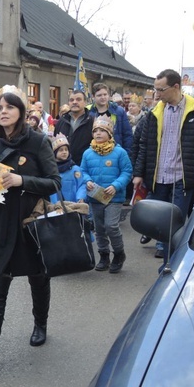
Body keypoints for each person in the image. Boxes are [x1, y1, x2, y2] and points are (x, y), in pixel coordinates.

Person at [0, 90, 61, 371]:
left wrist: (22, 180)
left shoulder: (38, 141)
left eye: (9, 107)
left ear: (21, 111)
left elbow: (54, 182)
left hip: (29, 224)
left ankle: (40, 323)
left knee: (38, 278)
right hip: (0, 223)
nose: (2, 112)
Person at [133, 69, 194, 261]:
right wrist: (138, 174)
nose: (157, 95)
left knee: (174, 225)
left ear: (176, 87)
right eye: (155, 90)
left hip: (182, 178)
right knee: (160, 225)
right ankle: (167, 261)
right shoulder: (154, 113)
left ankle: (171, 266)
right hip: (158, 177)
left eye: (161, 90)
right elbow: (144, 145)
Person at [80, 116, 132, 273]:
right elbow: (82, 171)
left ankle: (118, 254)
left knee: (111, 226)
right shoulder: (88, 153)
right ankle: (104, 255)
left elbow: (127, 171)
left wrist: (116, 185)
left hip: (114, 198)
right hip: (95, 197)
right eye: (95, 130)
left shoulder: (119, 152)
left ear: (110, 134)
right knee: (99, 228)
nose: (98, 133)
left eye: (102, 130)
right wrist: (87, 180)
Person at [88, 82, 133, 155]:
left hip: (116, 152)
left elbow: (127, 135)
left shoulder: (119, 111)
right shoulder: (89, 112)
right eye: (99, 95)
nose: (103, 97)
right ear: (93, 97)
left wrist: (126, 153)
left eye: (105, 94)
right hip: (95, 153)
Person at [53, 89, 93, 165]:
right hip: (64, 167)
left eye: (78, 99)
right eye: (71, 100)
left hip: (85, 167)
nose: (74, 102)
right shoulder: (61, 121)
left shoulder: (92, 121)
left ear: (85, 102)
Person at [49, 133, 87, 203]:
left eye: (66, 150)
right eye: (61, 150)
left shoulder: (75, 170)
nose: (64, 152)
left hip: (73, 207)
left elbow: (82, 184)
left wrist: (80, 197)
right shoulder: (51, 170)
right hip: (55, 208)